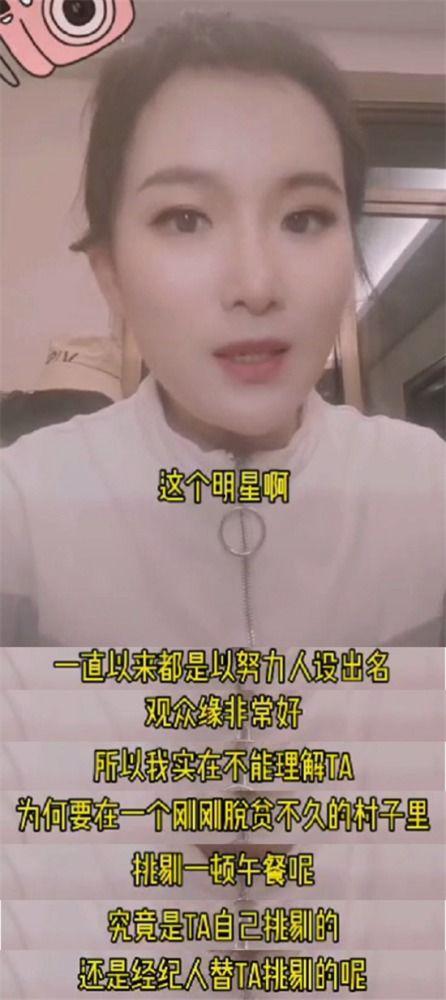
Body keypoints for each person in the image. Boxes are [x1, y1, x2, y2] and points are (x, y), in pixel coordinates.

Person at [1, 14, 444, 646]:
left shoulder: (428, 488)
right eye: (185, 219)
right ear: (111, 274)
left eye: (303, 218)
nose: (256, 285)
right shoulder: (24, 504)